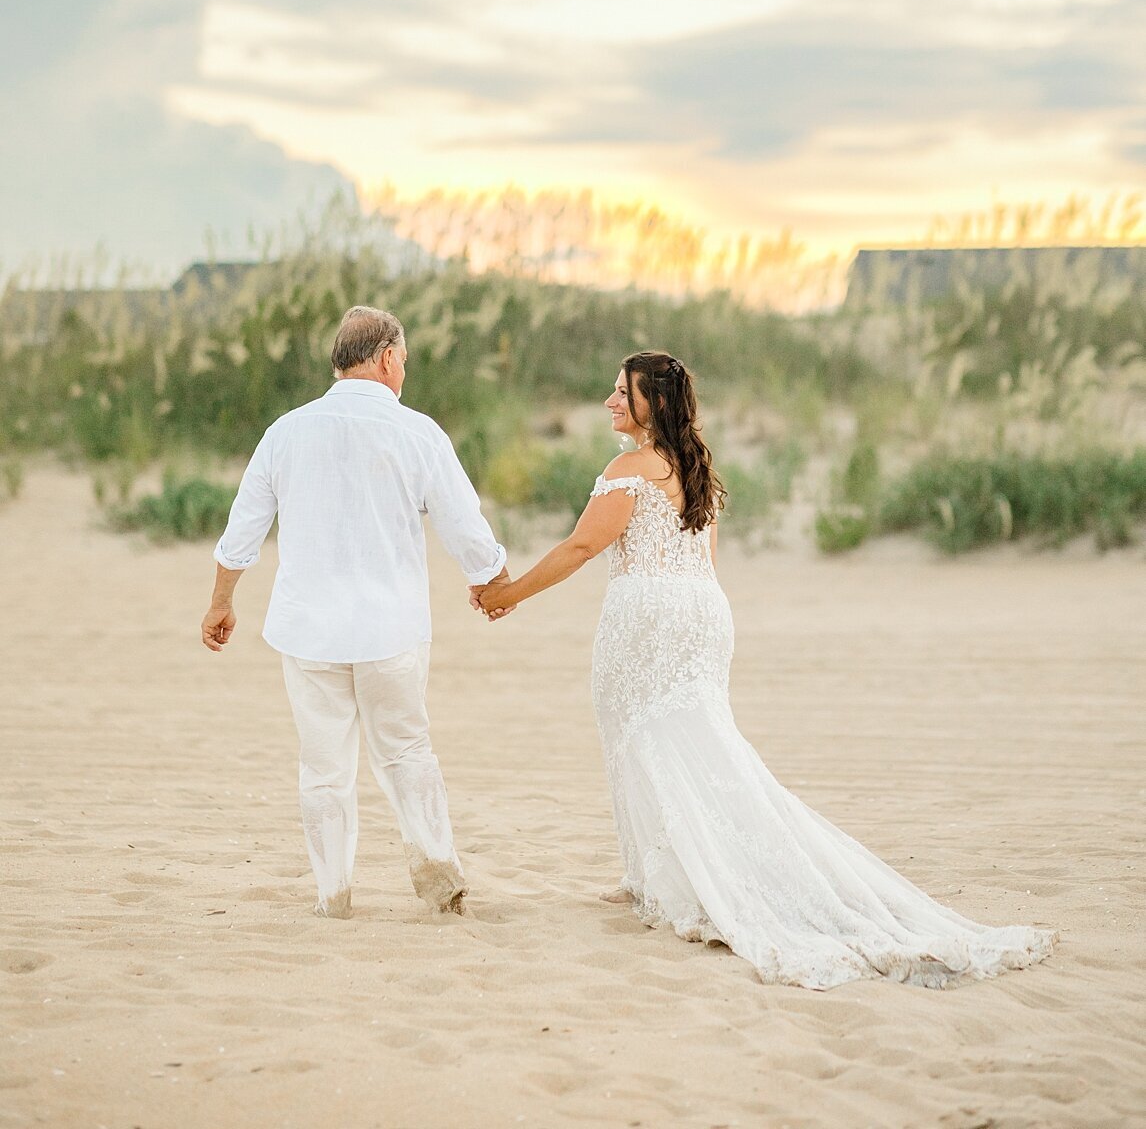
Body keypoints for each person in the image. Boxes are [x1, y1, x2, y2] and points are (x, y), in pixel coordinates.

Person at [475, 350, 1057, 990]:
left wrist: (509, 594)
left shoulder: (631, 467)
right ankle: (649, 876)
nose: (611, 402)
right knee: (700, 745)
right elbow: (705, 561)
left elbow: (584, 545)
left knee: (642, 740)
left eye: (623, 393)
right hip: (703, 613)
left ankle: (658, 881)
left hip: (650, 619)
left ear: (654, 405)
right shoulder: (694, 469)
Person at [201, 305, 510, 919]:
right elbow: (462, 523)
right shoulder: (418, 432)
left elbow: (245, 528)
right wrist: (492, 581)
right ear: (389, 357)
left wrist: (221, 600)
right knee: (406, 750)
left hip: (309, 629)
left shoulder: (285, 431)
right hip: (390, 628)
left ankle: (333, 894)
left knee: (323, 767)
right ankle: (437, 871)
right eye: (405, 363)